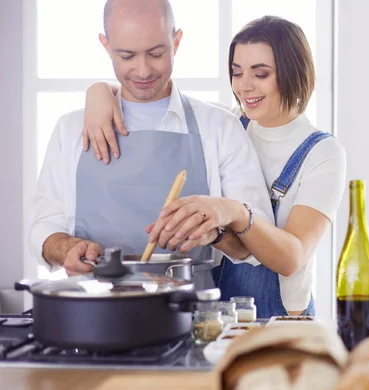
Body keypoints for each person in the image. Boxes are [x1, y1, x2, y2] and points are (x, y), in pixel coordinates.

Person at [83, 15, 347, 317]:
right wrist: (99, 92)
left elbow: (292, 258)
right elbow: (162, 96)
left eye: (260, 74)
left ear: (293, 73)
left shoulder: (323, 153)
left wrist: (235, 211)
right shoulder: (228, 124)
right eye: (237, 73)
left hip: (283, 317)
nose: (244, 86)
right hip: (224, 311)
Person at [28, 0, 274, 291]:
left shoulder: (219, 127)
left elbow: (253, 247)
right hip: (92, 312)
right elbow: (42, 230)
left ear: (176, 41)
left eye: (156, 54)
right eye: (127, 55)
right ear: (106, 46)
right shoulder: (70, 129)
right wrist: (66, 248)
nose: (143, 71)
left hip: (190, 314)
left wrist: (216, 234)